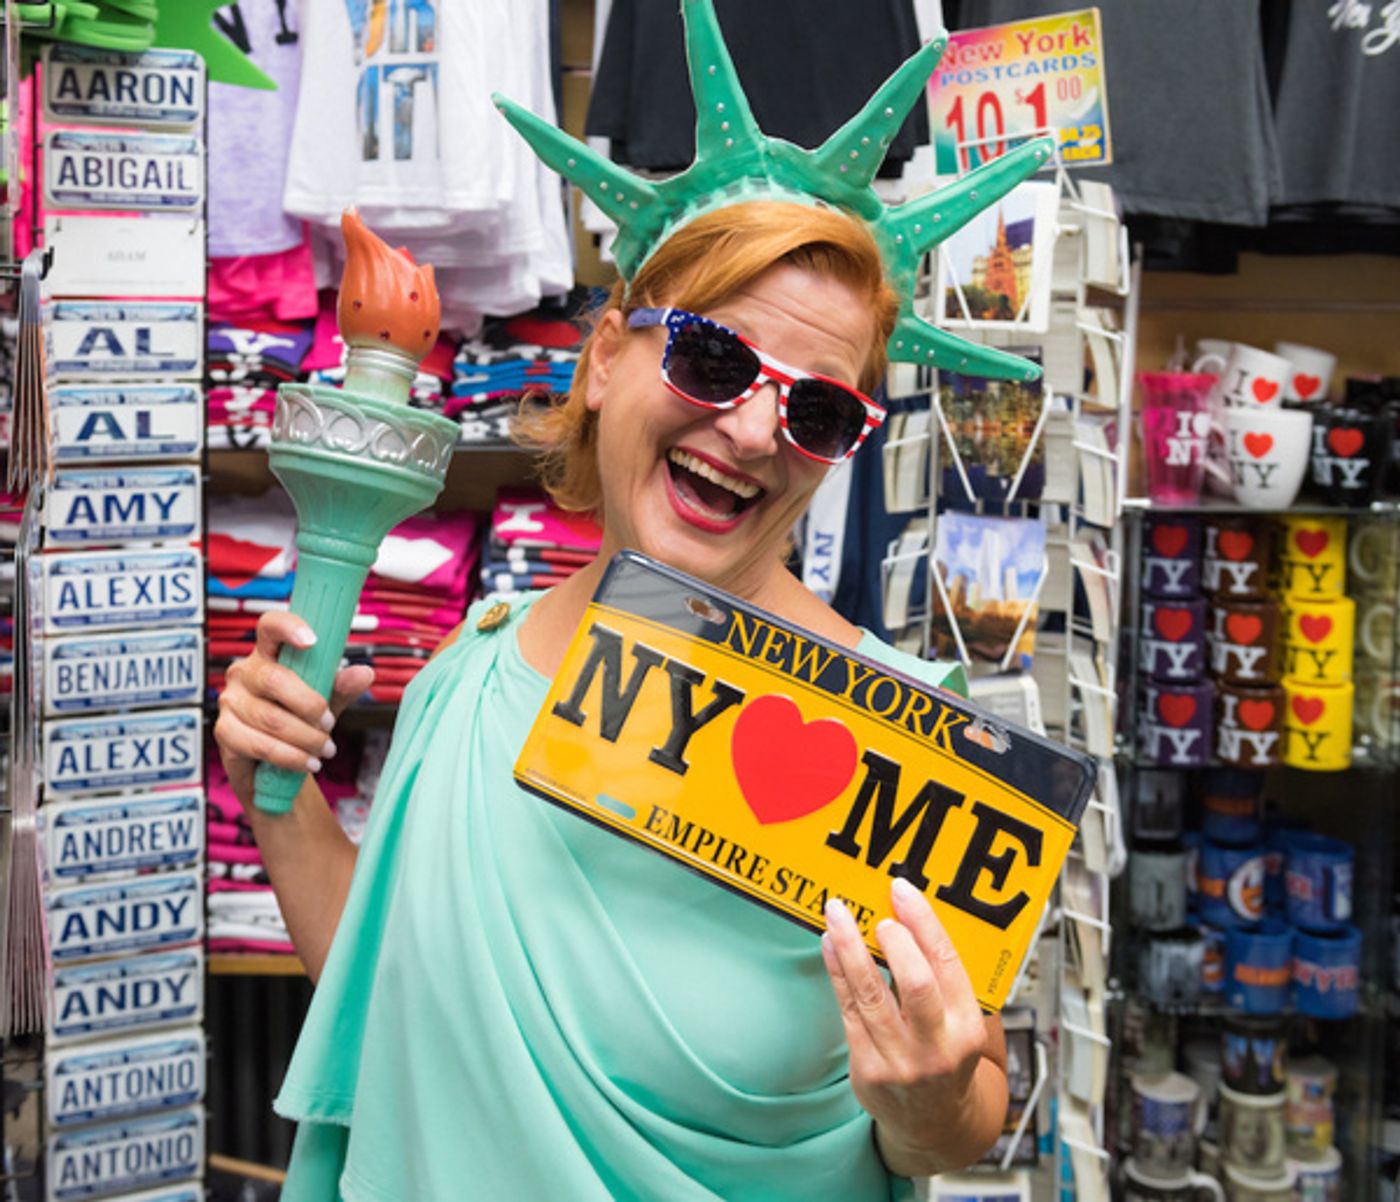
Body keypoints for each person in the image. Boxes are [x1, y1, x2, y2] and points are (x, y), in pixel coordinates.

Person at [214, 201, 1012, 1201]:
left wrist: (928, 1103)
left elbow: (970, 1091)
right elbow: (389, 996)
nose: (757, 430)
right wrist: (275, 789)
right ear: (601, 360)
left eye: (816, 412)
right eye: (714, 360)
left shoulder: (907, 736)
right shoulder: (473, 664)